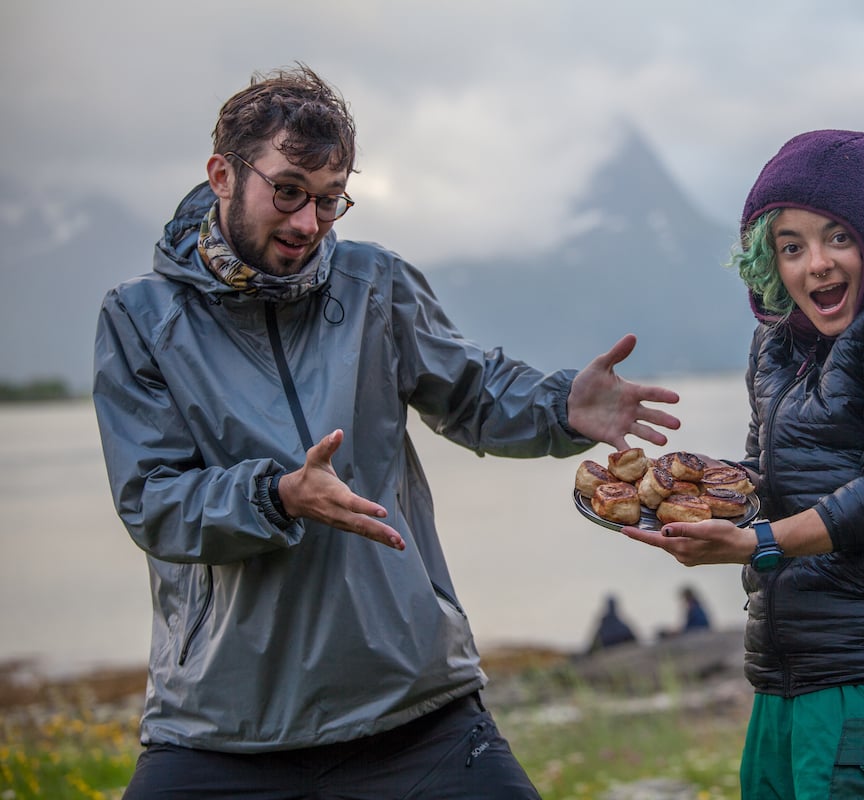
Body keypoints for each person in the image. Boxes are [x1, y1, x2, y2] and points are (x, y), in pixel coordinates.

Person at [92, 64, 681, 799]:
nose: (309, 224)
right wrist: (276, 496)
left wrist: (562, 406)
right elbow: (154, 502)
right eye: (288, 192)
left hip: (413, 709)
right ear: (221, 174)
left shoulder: (376, 286)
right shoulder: (139, 319)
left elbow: (474, 392)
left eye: (331, 201)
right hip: (218, 727)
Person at [622, 130, 864, 798]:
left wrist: (753, 542)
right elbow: (772, 479)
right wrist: (682, 489)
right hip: (786, 673)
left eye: (838, 237)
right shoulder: (778, 343)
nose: (814, 265)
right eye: (791, 246)